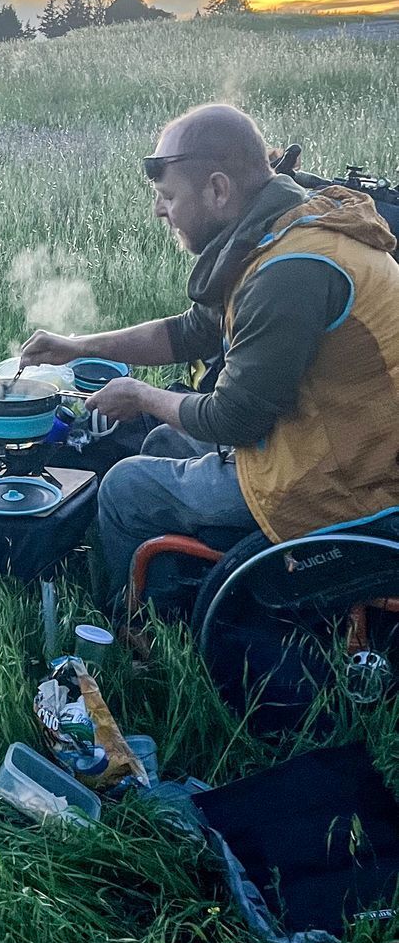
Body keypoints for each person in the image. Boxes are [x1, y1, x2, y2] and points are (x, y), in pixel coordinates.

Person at [21, 102, 399, 600]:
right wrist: (76, 346)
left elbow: (234, 420)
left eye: (168, 196)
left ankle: (141, 636)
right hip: (331, 441)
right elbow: (189, 332)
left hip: (343, 484)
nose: (160, 210)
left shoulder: (291, 270)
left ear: (218, 189)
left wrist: (139, 394)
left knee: (125, 488)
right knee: (160, 444)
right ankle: (184, 580)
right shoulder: (279, 232)